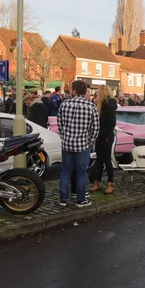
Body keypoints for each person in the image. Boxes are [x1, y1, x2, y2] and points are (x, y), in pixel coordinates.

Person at [58, 80, 99, 208]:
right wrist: (90, 141)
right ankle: (81, 200)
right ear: (84, 91)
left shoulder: (64, 105)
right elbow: (96, 128)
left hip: (67, 144)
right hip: (83, 145)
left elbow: (60, 125)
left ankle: (63, 199)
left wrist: (65, 136)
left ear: (74, 91)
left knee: (65, 171)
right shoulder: (91, 106)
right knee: (81, 173)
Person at [90, 85, 118, 195]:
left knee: (106, 160)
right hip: (100, 135)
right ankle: (98, 181)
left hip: (106, 136)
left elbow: (112, 122)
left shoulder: (109, 105)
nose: (96, 94)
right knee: (100, 160)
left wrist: (105, 134)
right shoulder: (101, 105)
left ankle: (110, 183)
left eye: (97, 92)